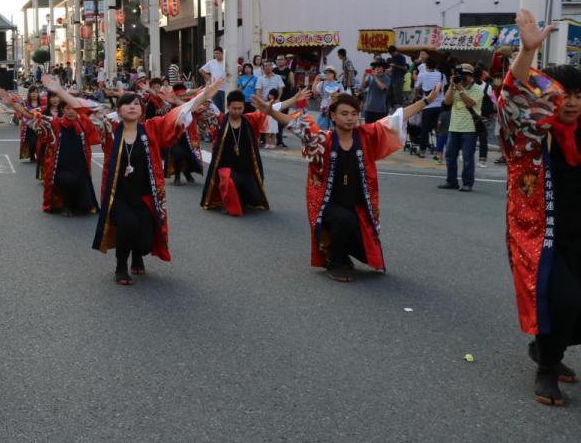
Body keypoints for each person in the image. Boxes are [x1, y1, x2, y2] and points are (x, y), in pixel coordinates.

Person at [254, 84, 441, 282]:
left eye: (353, 113)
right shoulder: (323, 139)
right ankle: (334, 263)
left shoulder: (366, 135)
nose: (350, 118)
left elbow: (398, 118)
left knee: (364, 237)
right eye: (344, 113)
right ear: (333, 116)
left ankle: (340, 253)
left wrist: (427, 101)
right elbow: (297, 125)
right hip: (327, 203)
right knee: (344, 220)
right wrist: (271, 113)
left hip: (356, 203)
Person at [497, 9, 581, 406]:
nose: (572, 102)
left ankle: (549, 349)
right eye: (563, 94)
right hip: (538, 234)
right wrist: (527, 54)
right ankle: (546, 367)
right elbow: (511, 98)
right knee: (561, 298)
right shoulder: (529, 131)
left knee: (574, 305)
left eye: (580, 95)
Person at [95, 83, 220, 284]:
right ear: (118, 111)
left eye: (136, 103)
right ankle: (120, 266)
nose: (132, 107)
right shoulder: (110, 131)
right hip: (119, 195)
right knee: (128, 224)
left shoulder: (152, 129)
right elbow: (82, 110)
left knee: (145, 242)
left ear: (142, 110)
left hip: (145, 195)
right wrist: (59, 92)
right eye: (127, 104)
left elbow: (178, 114)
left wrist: (203, 95)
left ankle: (137, 255)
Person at [0, 77, 101, 216]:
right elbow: (30, 116)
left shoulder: (84, 122)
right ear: (63, 110)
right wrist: (13, 105)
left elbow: (97, 111)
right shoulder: (54, 123)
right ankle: (66, 205)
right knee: (65, 180)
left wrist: (63, 91)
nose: (71, 111)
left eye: (73, 108)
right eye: (67, 108)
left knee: (82, 182)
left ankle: (82, 204)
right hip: (61, 164)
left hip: (80, 162)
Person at [201, 88, 310, 215]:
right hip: (226, 167)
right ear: (227, 106)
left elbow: (272, 108)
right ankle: (227, 202)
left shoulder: (249, 120)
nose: (237, 111)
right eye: (234, 108)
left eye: (240, 108)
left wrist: (294, 99)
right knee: (228, 181)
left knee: (253, 197)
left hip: (246, 167)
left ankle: (242, 197)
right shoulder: (219, 122)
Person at [438, 63, 485, 193]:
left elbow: (469, 103)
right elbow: (447, 102)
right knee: (450, 156)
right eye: (460, 76)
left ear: (471, 77)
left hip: (469, 129)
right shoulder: (456, 87)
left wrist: (459, 88)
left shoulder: (478, 90)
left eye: (465, 76)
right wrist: (452, 86)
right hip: (454, 127)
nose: (462, 79)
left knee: (467, 157)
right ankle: (451, 181)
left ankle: (467, 183)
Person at [200, 46, 227, 111]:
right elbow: (201, 70)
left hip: (226, 88)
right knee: (217, 107)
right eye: (215, 53)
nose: (216, 55)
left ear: (222, 53)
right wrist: (209, 78)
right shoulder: (211, 62)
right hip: (215, 88)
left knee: (225, 107)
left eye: (218, 53)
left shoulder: (226, 62)